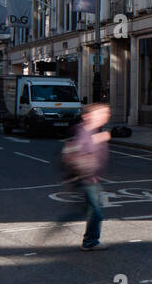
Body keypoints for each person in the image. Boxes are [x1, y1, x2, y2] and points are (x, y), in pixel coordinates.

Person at [46, 103, 111, 250]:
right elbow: (78, 154)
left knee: (85, 211)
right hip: (86, 179)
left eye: (106, 113)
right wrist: (88, 174)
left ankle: (88, 240)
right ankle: (89, 242)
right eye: (101, 113)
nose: (106, 116)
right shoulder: (84, 133)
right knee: (95, 213)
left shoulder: (91, 131)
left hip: (90, 178)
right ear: (87, 116)